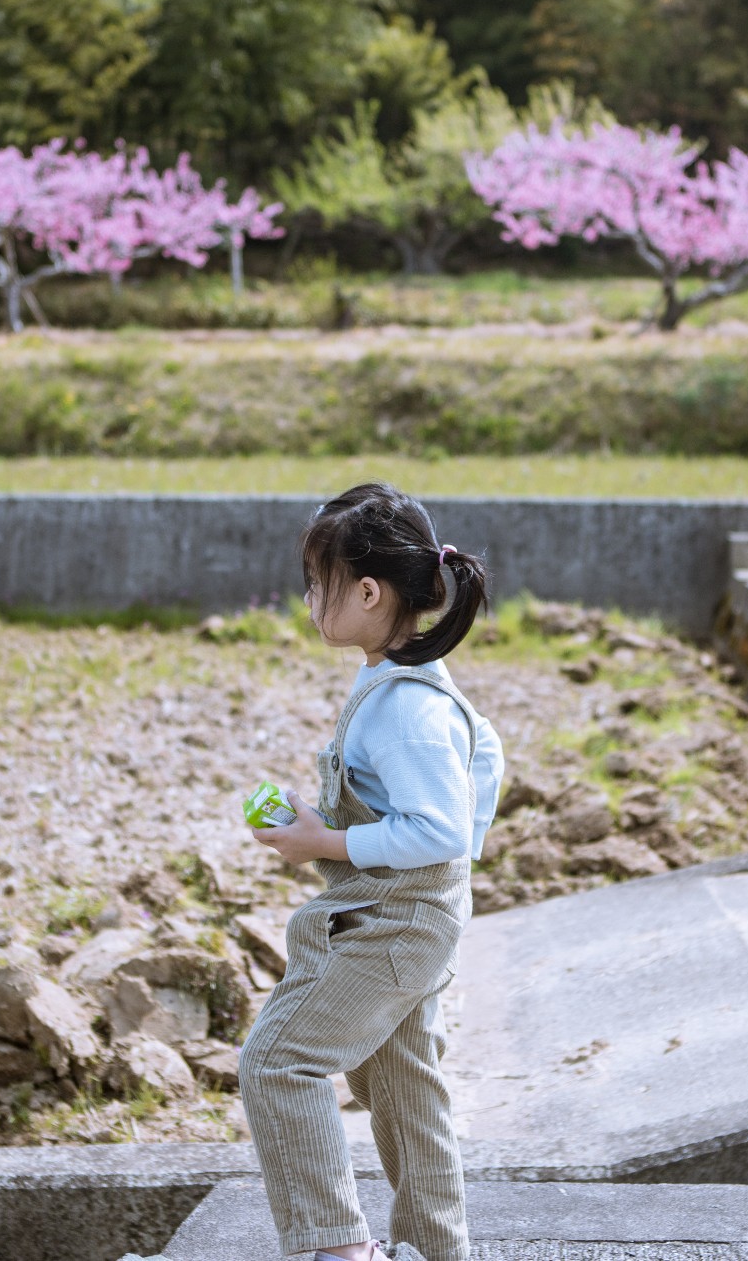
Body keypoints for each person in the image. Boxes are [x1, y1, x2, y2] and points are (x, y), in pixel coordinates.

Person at [241, 482, 506, 1261]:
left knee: (278, 1060)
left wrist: (326, 844)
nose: (310, 599)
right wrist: (443, 875)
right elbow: (484, 753)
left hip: (394, 925)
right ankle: (435, 1249)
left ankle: (338, 1248)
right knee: (402, 1087)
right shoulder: (411, 684)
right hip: (420, 920)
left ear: (366, 590)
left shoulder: (405, 706)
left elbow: (439, 824)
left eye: (317, 584)